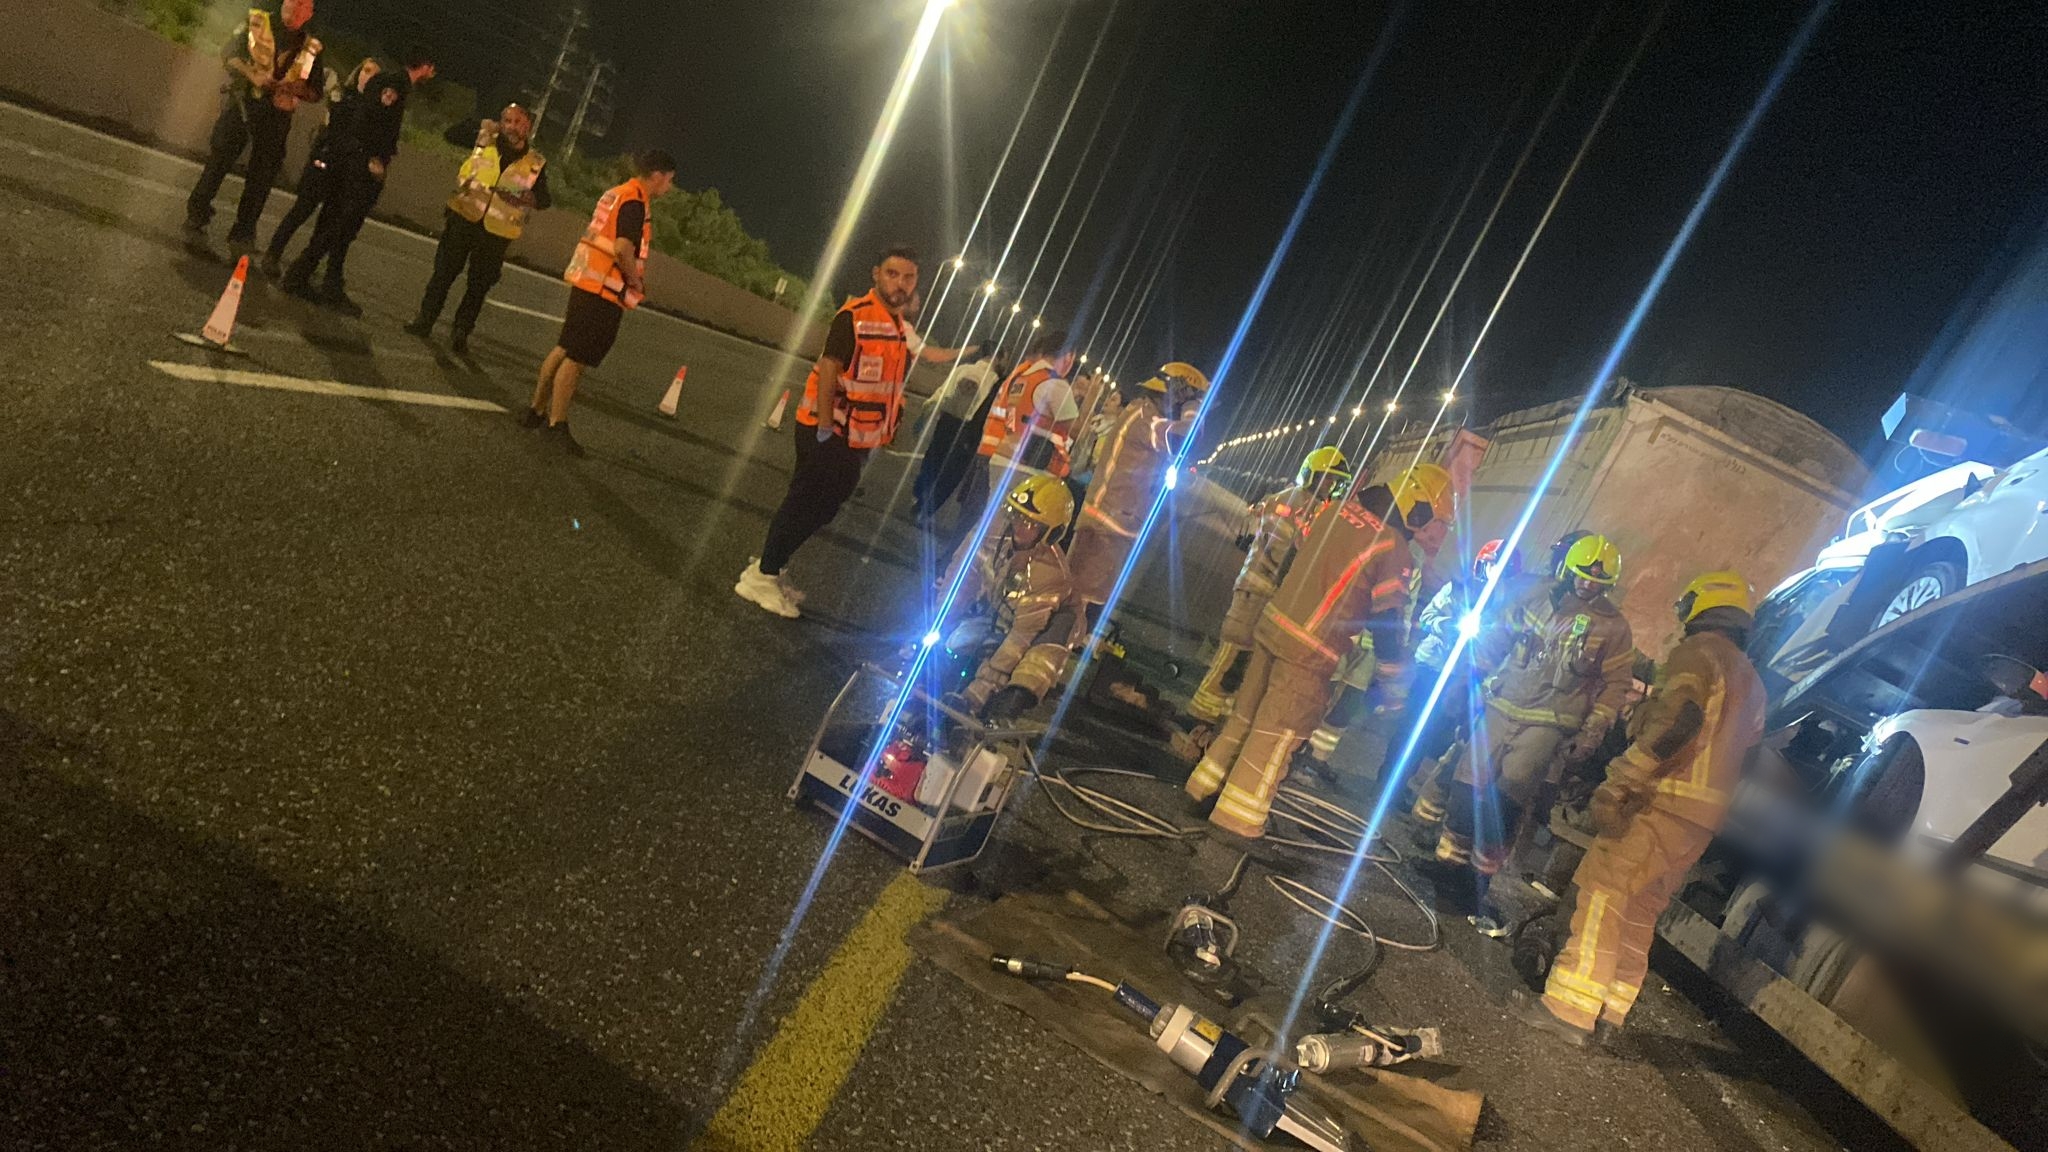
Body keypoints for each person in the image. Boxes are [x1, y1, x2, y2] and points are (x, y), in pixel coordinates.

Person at [1510, 571, 1765, 1047]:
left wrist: (1626, 777)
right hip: (1702, 820)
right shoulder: (1751, 680)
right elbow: (1744, 754)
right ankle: (1610, 1012)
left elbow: (1680, 721)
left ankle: (1569, 1009)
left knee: (1602, 895)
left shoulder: (1699, 653)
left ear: (1704, 604)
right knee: (1639, 911)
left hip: (1661, 801)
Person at [1185, 464, 1450, 839]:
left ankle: (1203, 788)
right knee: (1277, 736)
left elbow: (1292, 562)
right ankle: (1236, 819)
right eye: (1440, 522)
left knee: (1244, 717)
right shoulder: (1393, 548)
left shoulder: (1335, 510)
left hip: (1272, 625)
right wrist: (1392, 681)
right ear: (1417, 508)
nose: (1441, 532)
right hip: (1309, 651)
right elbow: (1387, 620)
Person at [735, 246, 923, 618]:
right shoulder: (855, 316)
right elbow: (828, 369)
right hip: (830, 431)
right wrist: (824, 426)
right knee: (806, 505)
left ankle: (772, 565)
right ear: (876, 274)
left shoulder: (898, 327)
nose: (900, 283)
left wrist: (887, 430)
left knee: (821, 508)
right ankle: (762, 575)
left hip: (855, 437)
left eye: (908, 277)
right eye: (892, 274)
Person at [1434, 533, 1636, 879]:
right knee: (1467, 782)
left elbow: (1616, 685)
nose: (1588, 584)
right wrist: (1465, 681)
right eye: (1582, 576)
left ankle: (1477, 879)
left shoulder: (1614, 627)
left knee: (1509, 795)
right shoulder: (1534, 595)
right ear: (1568, 569)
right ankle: (1448, 862)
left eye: (1598, 582)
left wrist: (1591, 733)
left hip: (1548, 723)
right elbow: (1495, 640)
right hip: (1501, 705)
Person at [522, 150, 677, 455]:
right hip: (603, 288)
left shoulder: (617, 192)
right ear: (657, 175)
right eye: (669, 180)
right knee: (576, 359)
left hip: (587, 280)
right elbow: (622, 248)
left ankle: (535, 411)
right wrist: (634, 280)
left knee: (564, 347)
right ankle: (557, 424)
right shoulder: (634, 201)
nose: (669, 187)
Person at [1186, 446, 1352, 724]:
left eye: (1335, 481)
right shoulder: (1293, 502)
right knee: (1233, 655)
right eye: (1327, 479)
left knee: (1243, 665)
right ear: (1311, 475)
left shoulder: (1311, 507)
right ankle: (1198, 715)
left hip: (1269, 596)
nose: (1331, 486)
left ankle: (1213, 721)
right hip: (1257, 591)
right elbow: (1283, 549)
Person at [281, 46, 437, 315]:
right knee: (340, 227)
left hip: (353, 162)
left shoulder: (392, 83)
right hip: (360, 168)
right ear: (425, 67)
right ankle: (299, 275)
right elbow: (372, 123)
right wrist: (372, 158)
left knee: (342, 230)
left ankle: (330, 285)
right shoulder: (394, 85)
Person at [1065, 363, 1210, 622]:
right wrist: (1193, 406)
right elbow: (1185, 440)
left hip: (1114, 525)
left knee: (1086, 605)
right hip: (1105, 527)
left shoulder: (1147, 415)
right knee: (1076, 603)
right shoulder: (1144, 418)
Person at [403, 105, 552, 354]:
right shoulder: (485, 139)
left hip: (496, 232)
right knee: (443, 274)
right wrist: (478, 125)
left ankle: (461, 332)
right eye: (507, 121)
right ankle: (424, 320)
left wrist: (530, 199)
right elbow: (450, 135)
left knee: (478, 286)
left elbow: (544, 199)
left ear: (528, 127)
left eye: (517, 122)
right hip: (464, 215)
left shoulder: (536, 162)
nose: (511, 127)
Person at [937, 474, 1085, 723]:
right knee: (956, 643)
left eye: (1030, 523)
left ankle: (1007, 707)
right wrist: (938, 621)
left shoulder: (1049, 574)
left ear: (1050, 532)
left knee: (1030, 669)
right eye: (1016, 516)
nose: (1019, 526)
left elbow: (1021, 637)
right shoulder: (991, 538)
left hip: (1043, 632)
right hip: (1004, 613)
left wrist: (977, 694)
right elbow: (961, 579)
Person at [183, 0, 324, 255]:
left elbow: (315, 92)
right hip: (244, 104)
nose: (295, 7)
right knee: (219, 160)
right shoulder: (257, 22)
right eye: (292, 1)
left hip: (277, 117)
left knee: (262, 177)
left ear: (309, 13)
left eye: (302, 4)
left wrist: (293, 89)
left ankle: (244, 231)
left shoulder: (312, 48)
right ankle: (197, 213)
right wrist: (253, 75)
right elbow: (229, 54)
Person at [260, 56, 380, 279]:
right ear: (358, 73)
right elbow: (335, 126)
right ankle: (273, 253)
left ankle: (304, 268)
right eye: (366, 70)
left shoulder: (373, 108)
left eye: (374, 74)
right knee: (301, 210)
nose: (368, 76)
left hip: (344, 171)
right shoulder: (342, 95)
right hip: (324, 162)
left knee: (327, 221)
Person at [952, 329, 1079, 535]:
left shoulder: (1024, 377)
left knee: (986, 522)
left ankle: (961, 555)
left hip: (1003, 456)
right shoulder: (1055, 384)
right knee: (1001, 530)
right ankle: (970, 555)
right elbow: (1077, 428)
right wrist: (1092, 397)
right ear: (1068, 356)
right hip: (1028, 466)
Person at [912, 346, 1002, 524]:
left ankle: (919, 498)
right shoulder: (995, 381)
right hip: (969, 431)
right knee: (952, 473)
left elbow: (942, 393)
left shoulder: (962, 369)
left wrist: (926, 412)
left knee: (933, 461)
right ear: (997, 358)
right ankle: (926, 511)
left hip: (946, 423)